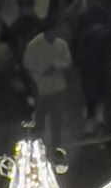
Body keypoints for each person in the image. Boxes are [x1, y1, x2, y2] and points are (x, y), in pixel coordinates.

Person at [22, 9, 74, 148]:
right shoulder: (35, 44)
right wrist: (41, 71)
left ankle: (56, 149)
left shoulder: (61, 45)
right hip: (41, 90)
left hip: (58, 89)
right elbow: (27, 63)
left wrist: (57, 65)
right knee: (39, 123)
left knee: (57, 123)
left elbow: (68, 63)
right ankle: (38, 149)